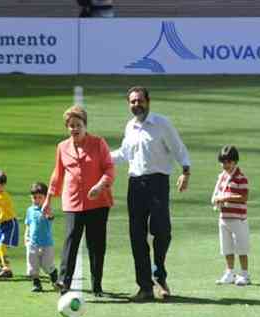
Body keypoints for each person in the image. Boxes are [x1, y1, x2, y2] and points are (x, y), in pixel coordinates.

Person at [111, 86, 191, 302]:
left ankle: (159, 273)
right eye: (132, 102)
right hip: (135, 185)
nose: (136, 105)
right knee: (137, 237)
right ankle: (145, 287)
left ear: (148, 101)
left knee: (162, 231)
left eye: (139, 101)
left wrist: (185, 171)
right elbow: (124, 154)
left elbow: (178, 148)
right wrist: (99, 157)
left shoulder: (161, 124)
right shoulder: (130, 126)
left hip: (158, 183)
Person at [42, 105, 115, 297]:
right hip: (73, 202)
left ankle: (97, 285)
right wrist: (48, 199)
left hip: (98, 203)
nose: (74, 129)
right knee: (70, 242)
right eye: (71, 125)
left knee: (96, 245)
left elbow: (109, 169)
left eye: (78, 125)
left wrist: (100, 186)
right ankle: (64, 283)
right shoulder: (62, 147)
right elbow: (57, 175)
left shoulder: (98, 143)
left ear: (85, 125)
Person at [211, 145, 251, 286]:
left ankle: (245, 274)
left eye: (228, 162)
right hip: (224, 217)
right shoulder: (222, 177)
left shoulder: (241, 178)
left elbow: (244, 197)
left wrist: (225, 198)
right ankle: (230, 273)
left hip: (238, 219)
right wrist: (217, 199)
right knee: (226, 247)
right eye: (223, 162)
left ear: (235, 162)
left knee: (241, 247)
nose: (225, 165)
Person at [24, 182, 58, 292]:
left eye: (40, 197)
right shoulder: (30, 210)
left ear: (45, 198)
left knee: (47, 265)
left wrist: (49, 214)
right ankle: (36, 283)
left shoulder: (46, 209)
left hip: (47, 244)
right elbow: (28, 224)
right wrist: (26, 235)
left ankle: (53, 274)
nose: (37, 200)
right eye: (34, 197)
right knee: (32, 266)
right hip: (32, 243)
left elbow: (51, 217)